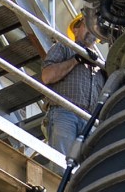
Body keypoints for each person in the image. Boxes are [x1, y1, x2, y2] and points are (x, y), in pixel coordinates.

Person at [40, 10, 106, 164]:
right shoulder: (65, 47)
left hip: (90, 122)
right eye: (87, 25)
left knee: (87, 172)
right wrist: (76, 59)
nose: (92, 30)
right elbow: (47, 76)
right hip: (65, 113)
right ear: (75, 29)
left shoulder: (100, 64)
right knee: (62, 165)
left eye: (95, 27)